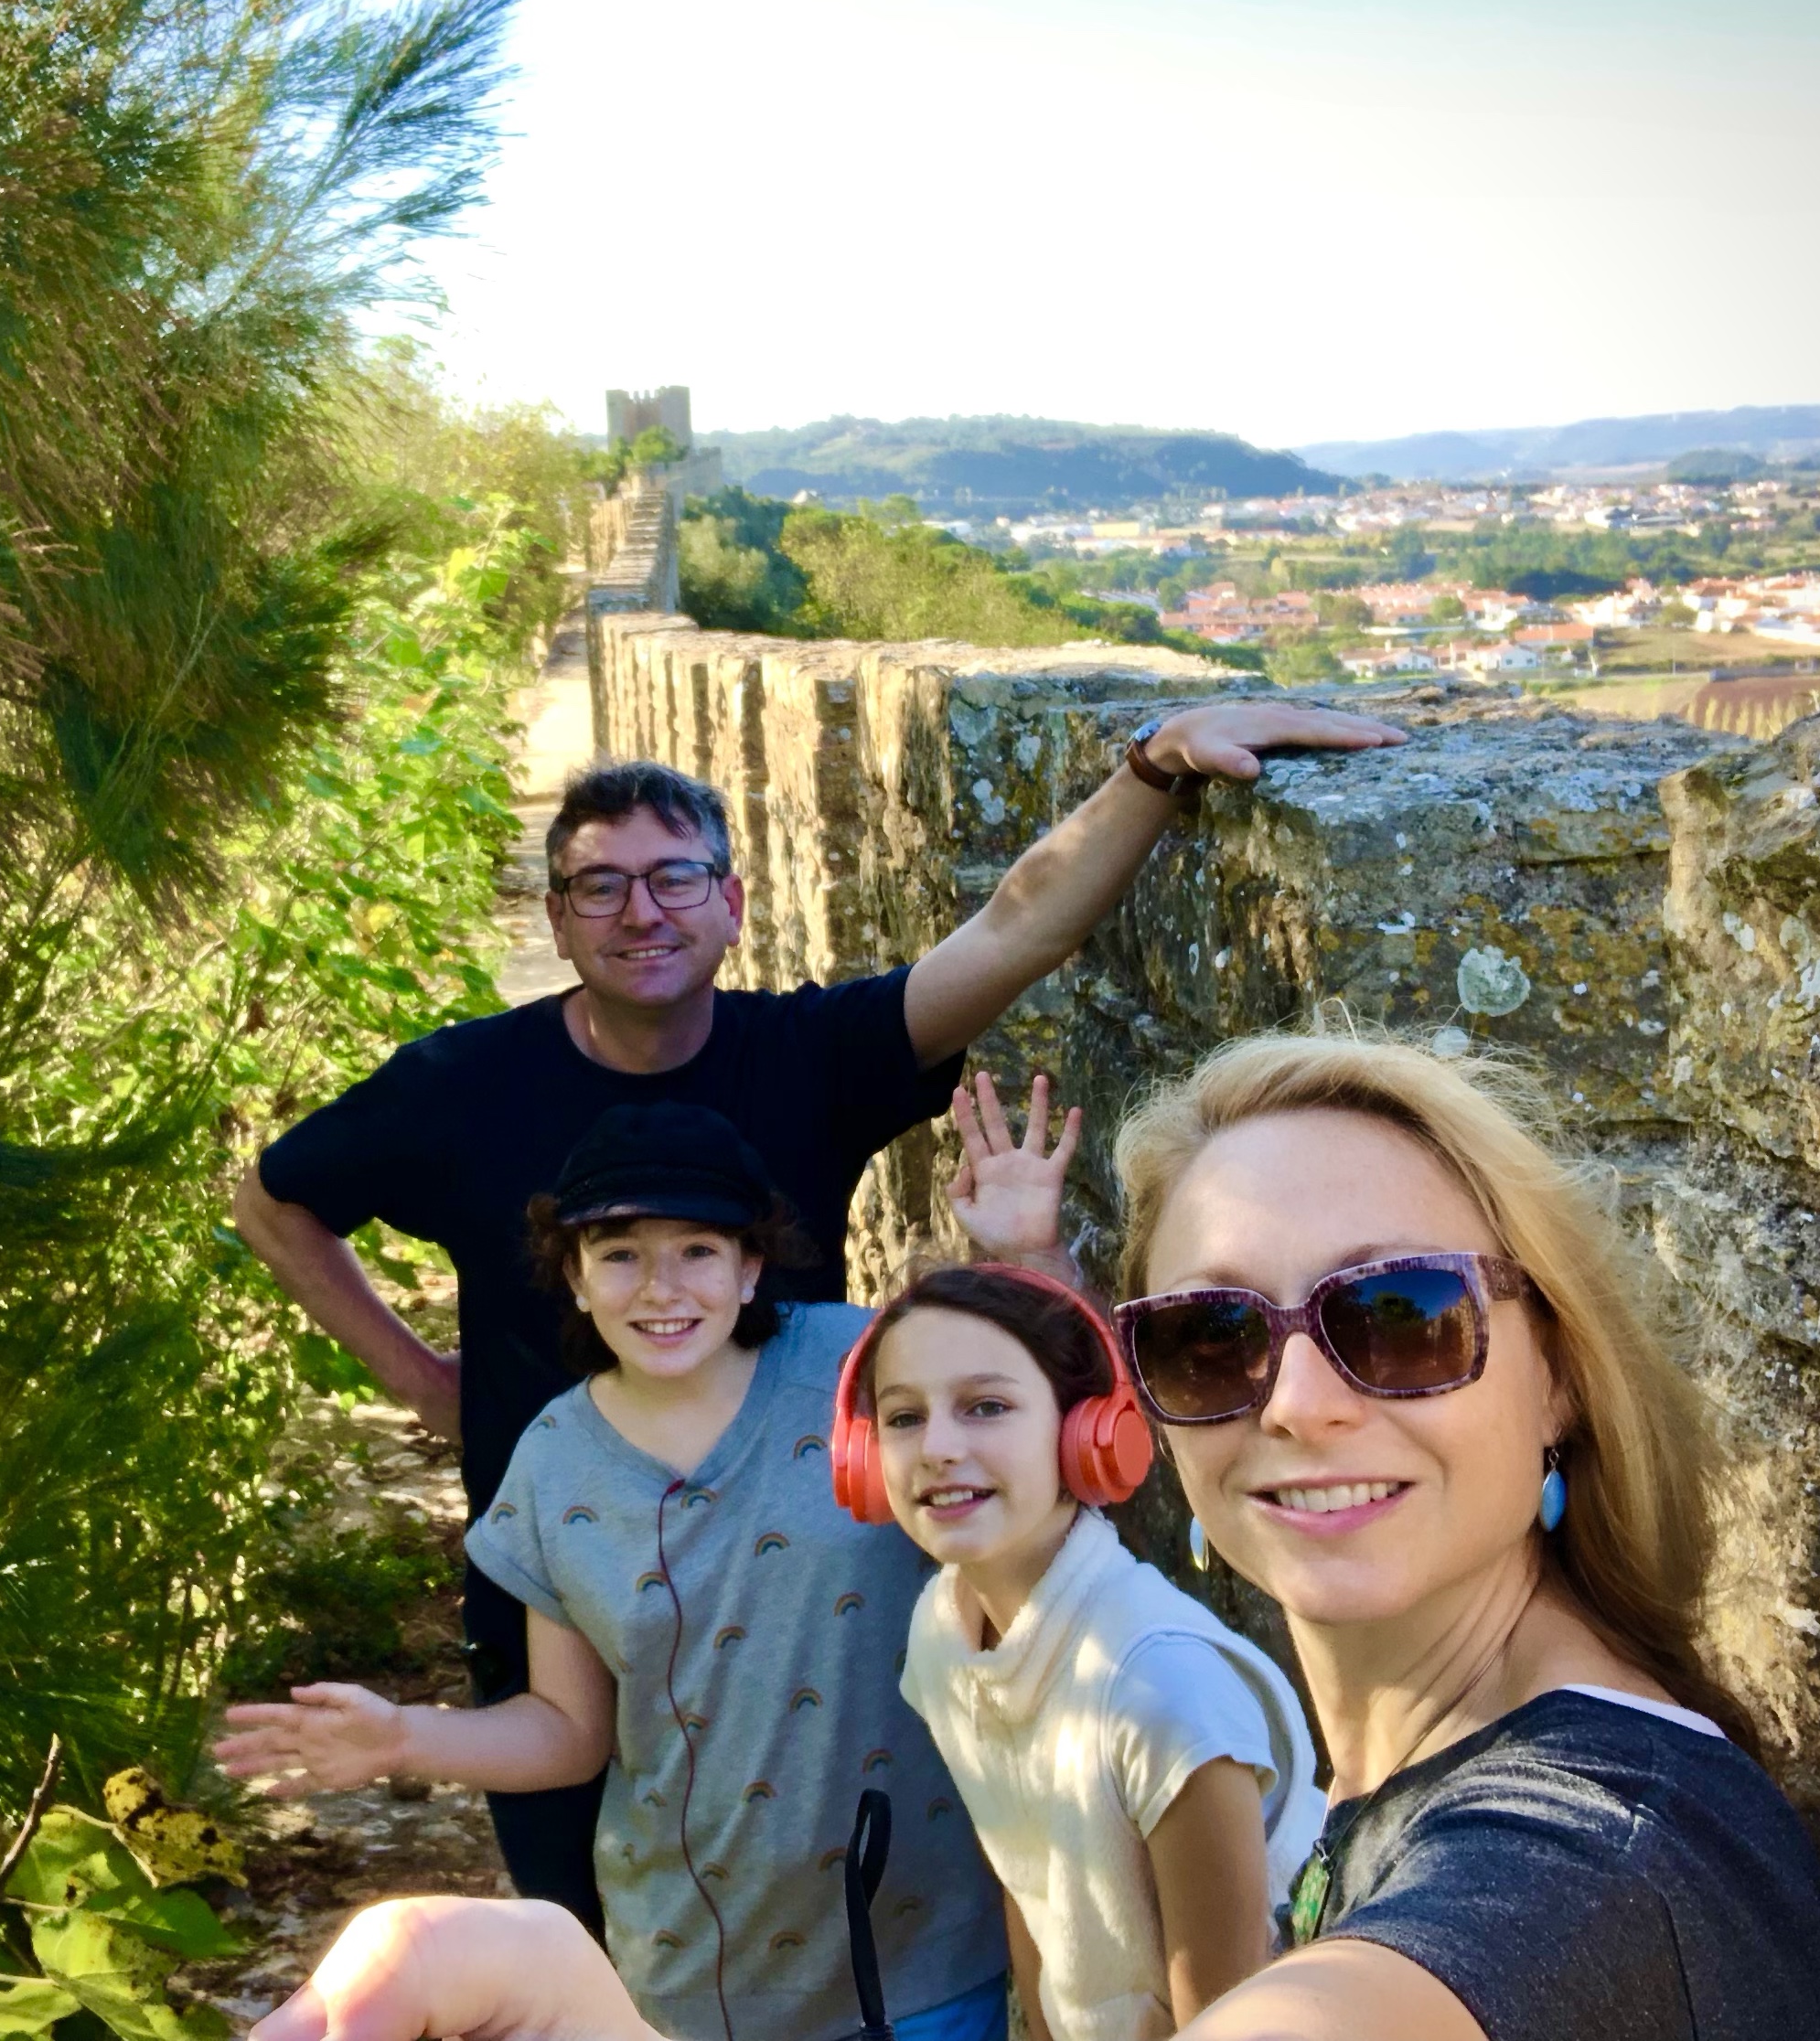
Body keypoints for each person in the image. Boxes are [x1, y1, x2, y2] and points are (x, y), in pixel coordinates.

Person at [242, 1029, 1820, 2041]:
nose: (1293, 1401)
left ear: (1562, 1373)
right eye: (1214, 1340)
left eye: (1400, 1316)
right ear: (1147, 1402)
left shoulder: (1585, 1862)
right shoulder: (1390, 1769)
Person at [236, 705, 1402, 1922]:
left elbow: (1015, 927)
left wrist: (1153, 766)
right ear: (556, 920)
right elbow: (276, 1203)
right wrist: (422, 1377)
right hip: (567, 1583)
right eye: (601, 887)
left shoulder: (808, 1055)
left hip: (810, 1601)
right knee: (584, 1929)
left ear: (734, 904)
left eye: (676, 878)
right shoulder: (455, 1090)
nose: (642, 913)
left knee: (837, 1911)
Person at [217, 1101, 1022, 2041]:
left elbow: (1034, 1442)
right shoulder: (551, 1465)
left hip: (926, 1958)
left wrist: (1030, 1261)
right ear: (574, 1275)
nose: (660, 1287)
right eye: (620, 1252)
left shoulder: (868, 1367)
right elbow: (568, 1730)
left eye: (697, 1249)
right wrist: (401, 1739)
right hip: (688, 1976)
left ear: (750, 1263)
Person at [854, 1085, 1322, 2041]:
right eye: (903, 1417)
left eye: (985, 1406)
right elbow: (1026, 1881)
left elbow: (1227, 2012)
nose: (938, 1446)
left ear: (1088, 1439)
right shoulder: (943, 1633)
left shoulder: (1162, 1687)